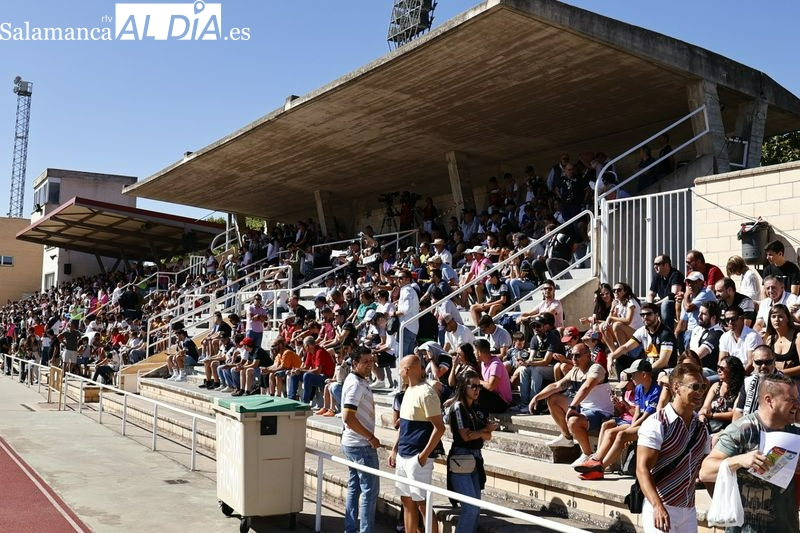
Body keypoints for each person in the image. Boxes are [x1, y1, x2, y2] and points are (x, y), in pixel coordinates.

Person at [699, 373, 800, 533]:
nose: (797, 404)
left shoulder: (796, 434)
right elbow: (705, 472)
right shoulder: (742, 430)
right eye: (790, 400)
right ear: (769, 400)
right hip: (743, 529)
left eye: (797, 399)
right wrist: (739, 461)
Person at [636, 363, 710, 533]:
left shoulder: (701, 427)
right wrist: (657, 506)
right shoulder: (656, 423)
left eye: (703, 387)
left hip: (689, 510)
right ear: (676, 388)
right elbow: (642, 469)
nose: (700, 392)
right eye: (695, 387)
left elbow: (705, 469)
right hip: (661, 506)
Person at [574, 358, 661, 479]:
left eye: (634, 374)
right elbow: (637, 412)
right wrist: (632, 427)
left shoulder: (656, 390)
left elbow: (646, 416)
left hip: (651, 425)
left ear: (644, 374)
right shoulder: (640, 388)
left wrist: (630, 429)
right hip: (639, 424)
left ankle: (599, 468)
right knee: (609, 431)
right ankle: (596, 461)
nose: (632, 377)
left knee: (621, 435)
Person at [531, 342, 614, 467]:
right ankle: (567, 437)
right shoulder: (575, 370)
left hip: (600, 411)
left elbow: (586, 387)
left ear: (588, 356)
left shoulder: (596, 368)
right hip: (583, 407)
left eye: (577, 355)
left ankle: (587, 454)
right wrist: (537, 397)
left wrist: (572, 406)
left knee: (573, 421)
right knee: (553, 399)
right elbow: (557, 385)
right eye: (571, 355)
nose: (573, 358)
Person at [388, 355, 445, 533]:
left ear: (407, 370)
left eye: (400, 368)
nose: (398, 372)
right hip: (404, 454)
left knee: (422, 505)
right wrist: (394, 449)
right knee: (406, 502)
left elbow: (439, 428)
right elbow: (403, 426)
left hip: (417, 458)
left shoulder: (426, 393)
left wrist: (423, 457)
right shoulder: (408, 392)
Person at [446, 369, 499, 533]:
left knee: (476, 508)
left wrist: (482, 432)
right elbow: (466, 436)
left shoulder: (479, 408)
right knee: (471, 509)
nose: (477, 390)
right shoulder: (458, 407)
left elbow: (488, 436)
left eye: (478, 386)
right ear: (463, 387)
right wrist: (484, 430)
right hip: (461, 457)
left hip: (476, 458)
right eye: (473, 386)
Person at [341, 348, 381, 533]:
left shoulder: (356, 380)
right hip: (361, 444)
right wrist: (370, 437)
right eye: (365, 361)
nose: (369, 365)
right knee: (369, 491)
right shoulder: (356, 384)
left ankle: (350, 528)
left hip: (353, 443)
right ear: (355, 363)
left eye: (371, 361)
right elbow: (348, 417)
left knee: (355, 487)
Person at [697, 356, 745, 439]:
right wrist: (702, 415)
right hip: (709, 425)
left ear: (732, 370)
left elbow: (734, 413)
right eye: (718, 367)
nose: (718, 370)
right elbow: (705, 406)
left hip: (726, 427)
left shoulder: (741, 390)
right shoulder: (716, 386)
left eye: (722, 368)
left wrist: (712, 415)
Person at [718, 305, 761, 374]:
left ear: (742, 318)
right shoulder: (724, 337)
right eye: (727, 320)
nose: (730, 322)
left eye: (733, 319)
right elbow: (721, 361)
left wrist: (738, 379)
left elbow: (751, 364)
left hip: (750, 375)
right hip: (731, 375)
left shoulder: (752, 336)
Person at [474, 338, 512, 413]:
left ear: (479, 352)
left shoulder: (495, 365)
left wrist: (477, 380)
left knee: (477, 388)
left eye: (474, 351)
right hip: (493, 397)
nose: (473, 353)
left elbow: (490, 387)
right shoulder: (483, 363)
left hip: (502, 402)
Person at [648, 254, 684, 329]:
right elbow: (651, 294)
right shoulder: (657, 276)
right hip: (661, 303)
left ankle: (668, 333)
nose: (655, 266)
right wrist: (649, 305)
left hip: (674, 305)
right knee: (643, 306)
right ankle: (649, 332)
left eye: (657, 264)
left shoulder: (675, 275)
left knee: (666, 304)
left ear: (666, 265)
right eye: (654, 264)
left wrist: (655, 305)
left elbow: (673, 296)